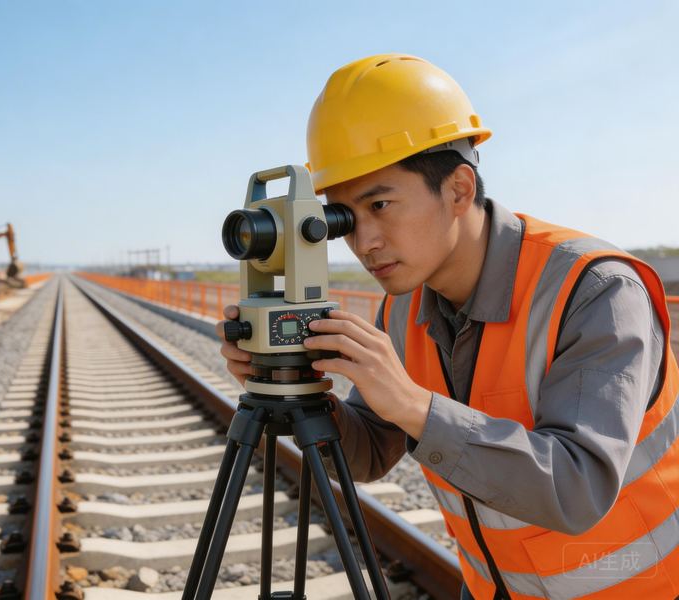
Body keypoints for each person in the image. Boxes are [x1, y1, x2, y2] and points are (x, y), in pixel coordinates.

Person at [217, 54, 679, 600]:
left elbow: (578, 489)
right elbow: (370, 452)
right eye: (343, 218)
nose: (364, 242)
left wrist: (414, 404)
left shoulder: (595, 291)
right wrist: (301, 392)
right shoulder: (402, 308)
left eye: (380, 204)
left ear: (459, 189)